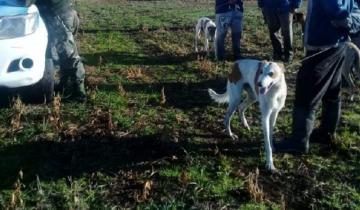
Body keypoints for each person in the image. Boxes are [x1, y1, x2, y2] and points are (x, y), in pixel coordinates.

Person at [275, 0, 360, 154]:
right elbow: (355, 11)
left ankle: (298, 142)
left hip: (323, 48)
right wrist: (349, 24)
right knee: (332, 93)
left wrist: (343, 20)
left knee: (305, 95)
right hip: (338, 46)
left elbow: (335, 10)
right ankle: (326, 134)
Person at [31, 0, 86, 102]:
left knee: (69, 55)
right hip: (64, 14)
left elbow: (26, 2)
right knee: (62, 54)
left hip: (58, 17)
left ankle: (79, 93)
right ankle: (65, 86)